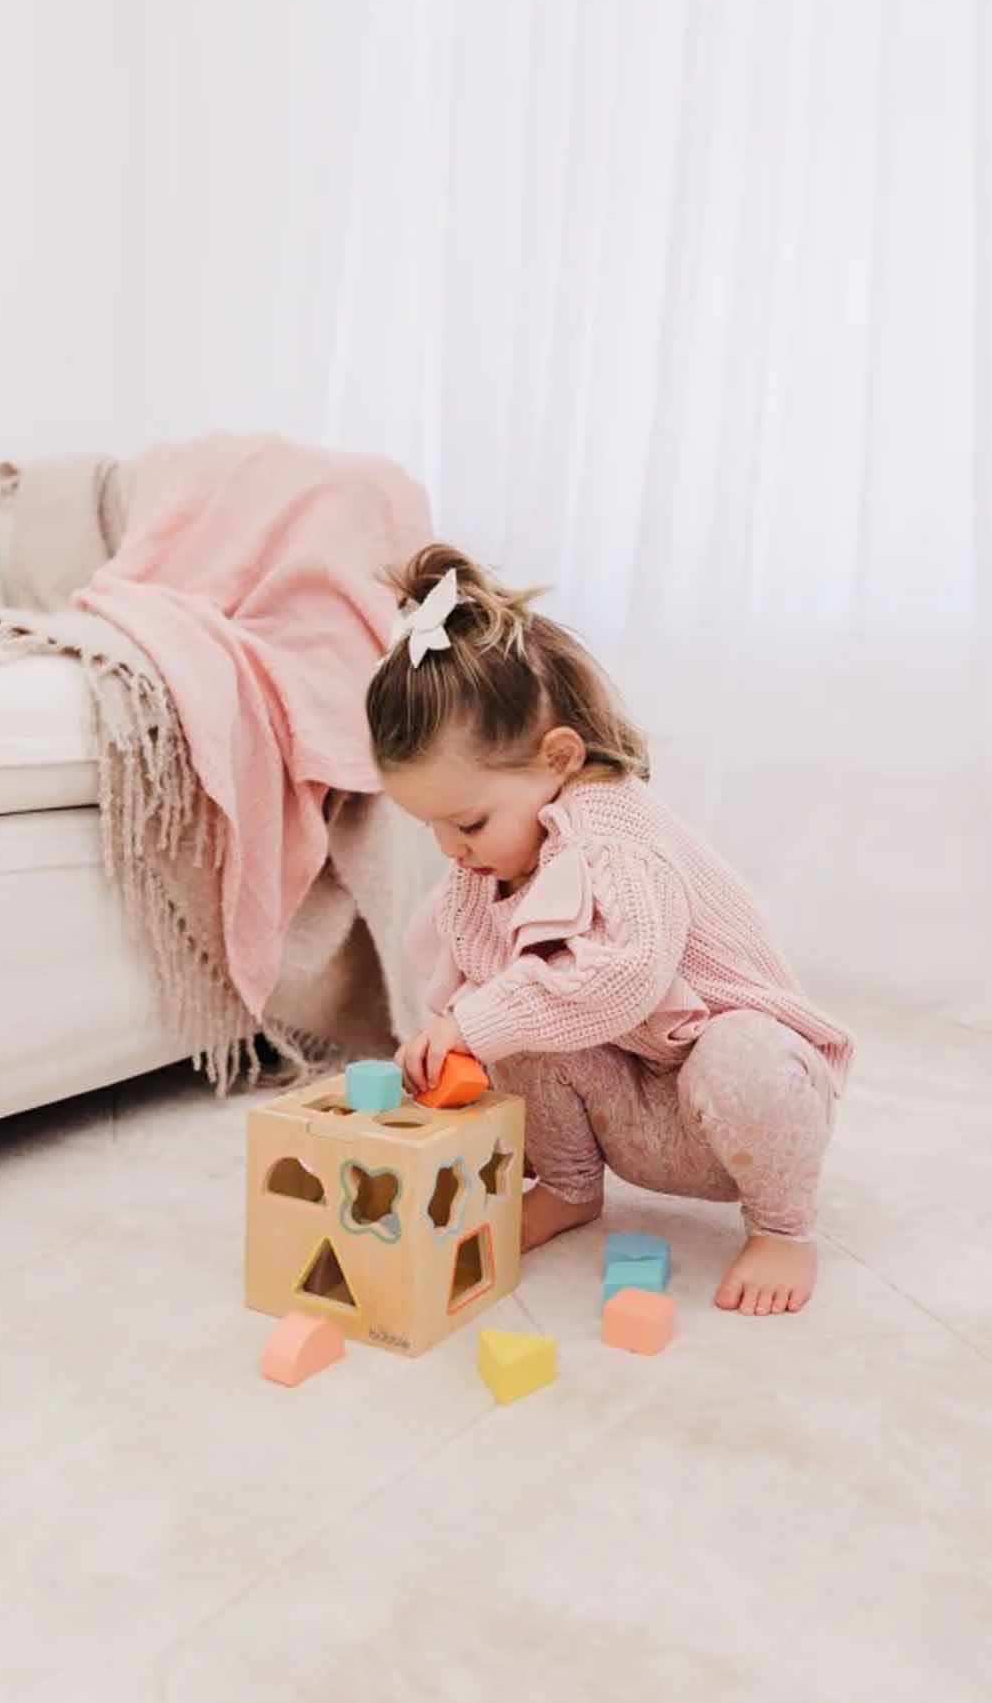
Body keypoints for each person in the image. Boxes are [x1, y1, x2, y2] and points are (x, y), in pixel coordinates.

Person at [366, 544, 854, 1317]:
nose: (451, 849)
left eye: (466, 822)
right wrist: (442, 1029)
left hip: (738, 1102)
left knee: (738, 1050)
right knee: (513, 1019)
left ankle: (782, 1229)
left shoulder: (617, 837)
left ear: (558, 758)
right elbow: (471, 966)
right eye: (432, 827)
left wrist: (478, 1021)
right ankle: (565, 1186)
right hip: (637, 1110)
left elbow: (625, 974)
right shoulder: (488, 864)